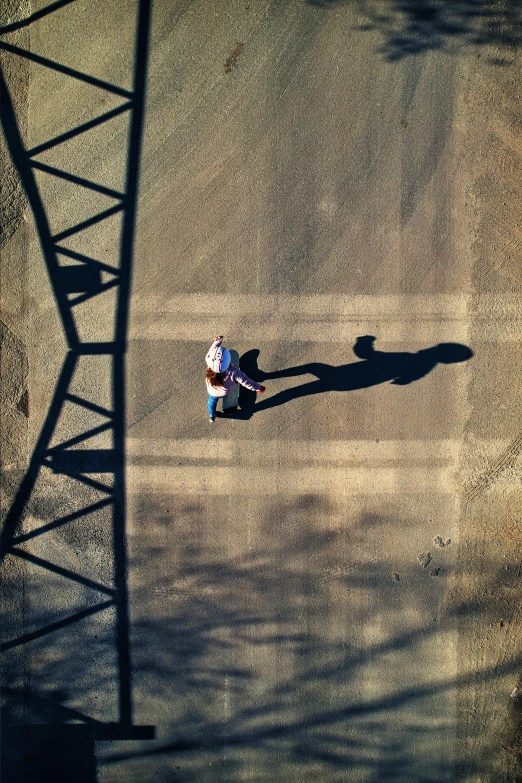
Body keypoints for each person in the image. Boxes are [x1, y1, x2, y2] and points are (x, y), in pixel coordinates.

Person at [205, 336, 265, 422]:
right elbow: (247, 382)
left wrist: (217, 342)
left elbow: (211, 351)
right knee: (234, 381)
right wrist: (258, 388)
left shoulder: (208, 360)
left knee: (211, 401)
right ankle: (234, 381)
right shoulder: (234, 371)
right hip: (225, 391)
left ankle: (212, 415)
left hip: (211, 390)